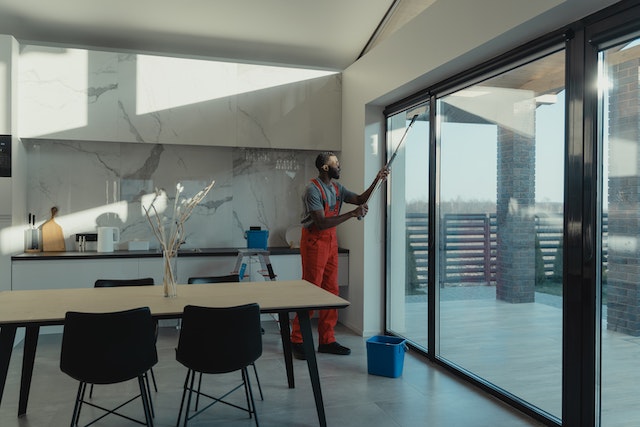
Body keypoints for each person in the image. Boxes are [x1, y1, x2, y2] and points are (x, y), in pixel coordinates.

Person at [290, 151, 389, 360]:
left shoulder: (337, 188)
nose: (340, 167)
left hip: (331, 241)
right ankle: (297, 339)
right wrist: (353, 214)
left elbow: (360, 198)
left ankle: (327, 340)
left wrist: (377, 179)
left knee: (331, 291)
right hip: (314, 241)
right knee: (310, 291)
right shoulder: (312, 190)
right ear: (325, 168)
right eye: (336, 164)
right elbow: (321, 222)